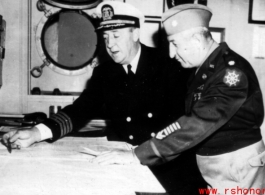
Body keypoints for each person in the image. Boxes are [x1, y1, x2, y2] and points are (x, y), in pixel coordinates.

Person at [1, 2, 207, 195]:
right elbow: (80, 110)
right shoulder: (105, 73)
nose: (110, 44)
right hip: (122, 164)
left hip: (166, 167)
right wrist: (37, 133)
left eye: (116, 35)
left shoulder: (169, 68)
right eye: (106, 38)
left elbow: (184, 126)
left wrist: (139, 153)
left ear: (135, 33)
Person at [92, 3, 265, 194]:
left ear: (197, 41)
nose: (173, 54)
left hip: (235, 168)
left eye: (175, 44)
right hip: (215, 164)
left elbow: (198, 122)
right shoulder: (204, 70)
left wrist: (137, 154)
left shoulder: (230, 72)